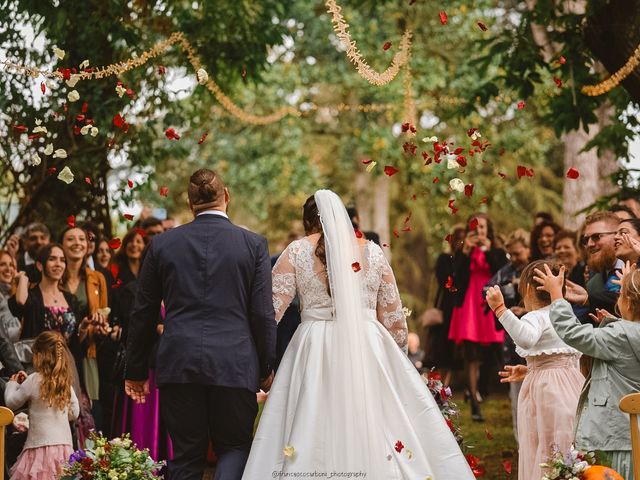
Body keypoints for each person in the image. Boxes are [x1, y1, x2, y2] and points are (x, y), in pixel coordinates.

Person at [242, 191, 475, 479]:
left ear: (308, 222)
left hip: (312, 346)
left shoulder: (296, 251)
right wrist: (397, 360)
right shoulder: (373, 251)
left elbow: (269, 314)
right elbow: (393, 317)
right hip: (368, 345)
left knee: (312, 418)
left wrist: (261, 361)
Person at [125, 168, 276, 480]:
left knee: (185, 457)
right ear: (227, 197)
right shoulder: (253, 245)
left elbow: (143, 311)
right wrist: (265, 368)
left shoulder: (163, 245)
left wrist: (136, 370)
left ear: (190, 203)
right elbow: (262, 313)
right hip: (234, 364)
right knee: (234, 447)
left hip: (180, 363)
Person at [535, 261, 640, 480]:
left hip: (614, 438)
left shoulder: (618, 336)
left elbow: (573, 333)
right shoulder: (624, 335)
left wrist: (557, 297)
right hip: (634, 435)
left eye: (621, 296)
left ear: (628, 303)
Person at [486, 260, 583, 480]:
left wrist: (501, 310)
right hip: (572, 387)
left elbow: (526, 338)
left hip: (547, 392)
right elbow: (562, 357)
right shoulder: (566, 313)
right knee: (567, 439)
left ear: (528, 290)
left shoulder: (536, 316)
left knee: (543, 440)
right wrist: (530, 369)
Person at [448, 214, 508, 421]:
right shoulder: (462, 252)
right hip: (469, 307)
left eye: (482, 227)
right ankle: (474, 400)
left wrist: (489, 250)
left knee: (492, 353)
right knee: (471, 356)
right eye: (475, 227)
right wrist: (465, 252)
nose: (479, 231)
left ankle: (487, 390)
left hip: (489, 305)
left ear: (488, 229)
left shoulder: (496, 251)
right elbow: (454, 278)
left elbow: (501, 273)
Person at [5, 331, 79, 480]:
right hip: (64, 448)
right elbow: (74, 413)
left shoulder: (33, 380)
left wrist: (12, 384)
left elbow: (11, 403)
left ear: (40, 355)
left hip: (38, 447)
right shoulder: (65, 384)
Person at [59, 226, 110, 432]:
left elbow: (104, 311)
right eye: (71, 239)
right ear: (61, 245)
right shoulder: (53, 274)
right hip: (60, 351)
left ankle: (88, 457)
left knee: (91, 404)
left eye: (82, 239)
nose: (77, 243)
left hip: (87, 351)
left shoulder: (97, 278)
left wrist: (100, 327)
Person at [483, 228, 530, 440]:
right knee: (517, 397)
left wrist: (525, 310)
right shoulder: (506, 271)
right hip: (512, 342)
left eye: (518, 253)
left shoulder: (536, 269)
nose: (515, 258)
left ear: (528, 249)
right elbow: (486, 289)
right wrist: (506, 290)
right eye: (511, 254)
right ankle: (521, 441)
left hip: (535, 340)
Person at [423, 225, 465, 386]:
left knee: (454, 355)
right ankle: (436, 387)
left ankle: (445, 388)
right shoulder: (444, 259)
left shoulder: (466, 260)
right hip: (446, 310)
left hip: (460, 310)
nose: (460, 243)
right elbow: (446, 283)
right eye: (457, 239)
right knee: (440, 352)